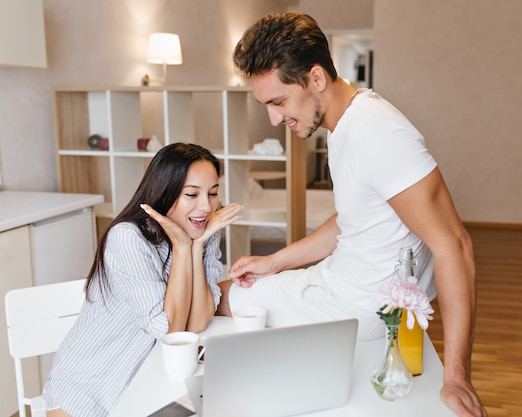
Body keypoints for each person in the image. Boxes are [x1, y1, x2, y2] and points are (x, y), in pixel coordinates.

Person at [216, 12, 486, 417]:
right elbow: (351, 219)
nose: (274, 119)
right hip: (336, 284)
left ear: (317, 78)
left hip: (356, 308)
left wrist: (457, 377)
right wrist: (274, 261)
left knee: (217, 297)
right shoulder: (350, 124)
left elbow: (455, 246)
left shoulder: (378, 133)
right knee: (233, 292)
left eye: (278, 102)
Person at [42, 143, 242, 417]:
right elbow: (168, 328)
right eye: (192, 194)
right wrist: (183, 248)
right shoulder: (128, 238)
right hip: (87, 383)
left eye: (213, 193)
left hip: (140, 381)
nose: (206, 206)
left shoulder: (203, 231)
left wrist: (195, 248)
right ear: (165, 192)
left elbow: (194, 324)